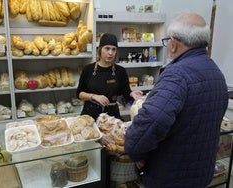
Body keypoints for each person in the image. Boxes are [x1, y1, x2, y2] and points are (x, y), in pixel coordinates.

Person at [124, 12, 229, 188]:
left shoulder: (177, 74)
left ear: (173, 43)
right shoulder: (216, 73)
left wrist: (135, 151)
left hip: (171, 176)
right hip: (201, 172)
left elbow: (153, 120)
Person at [76, 33, 143, 120]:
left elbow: (126, 92)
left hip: (112, 115)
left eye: (113, 49)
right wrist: (94, 96)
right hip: (90, 114)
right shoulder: (88, 69)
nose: (110, 53)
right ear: (100, 50)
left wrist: (132, 93)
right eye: (107, 49)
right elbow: (79, 93)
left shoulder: (120, 71)